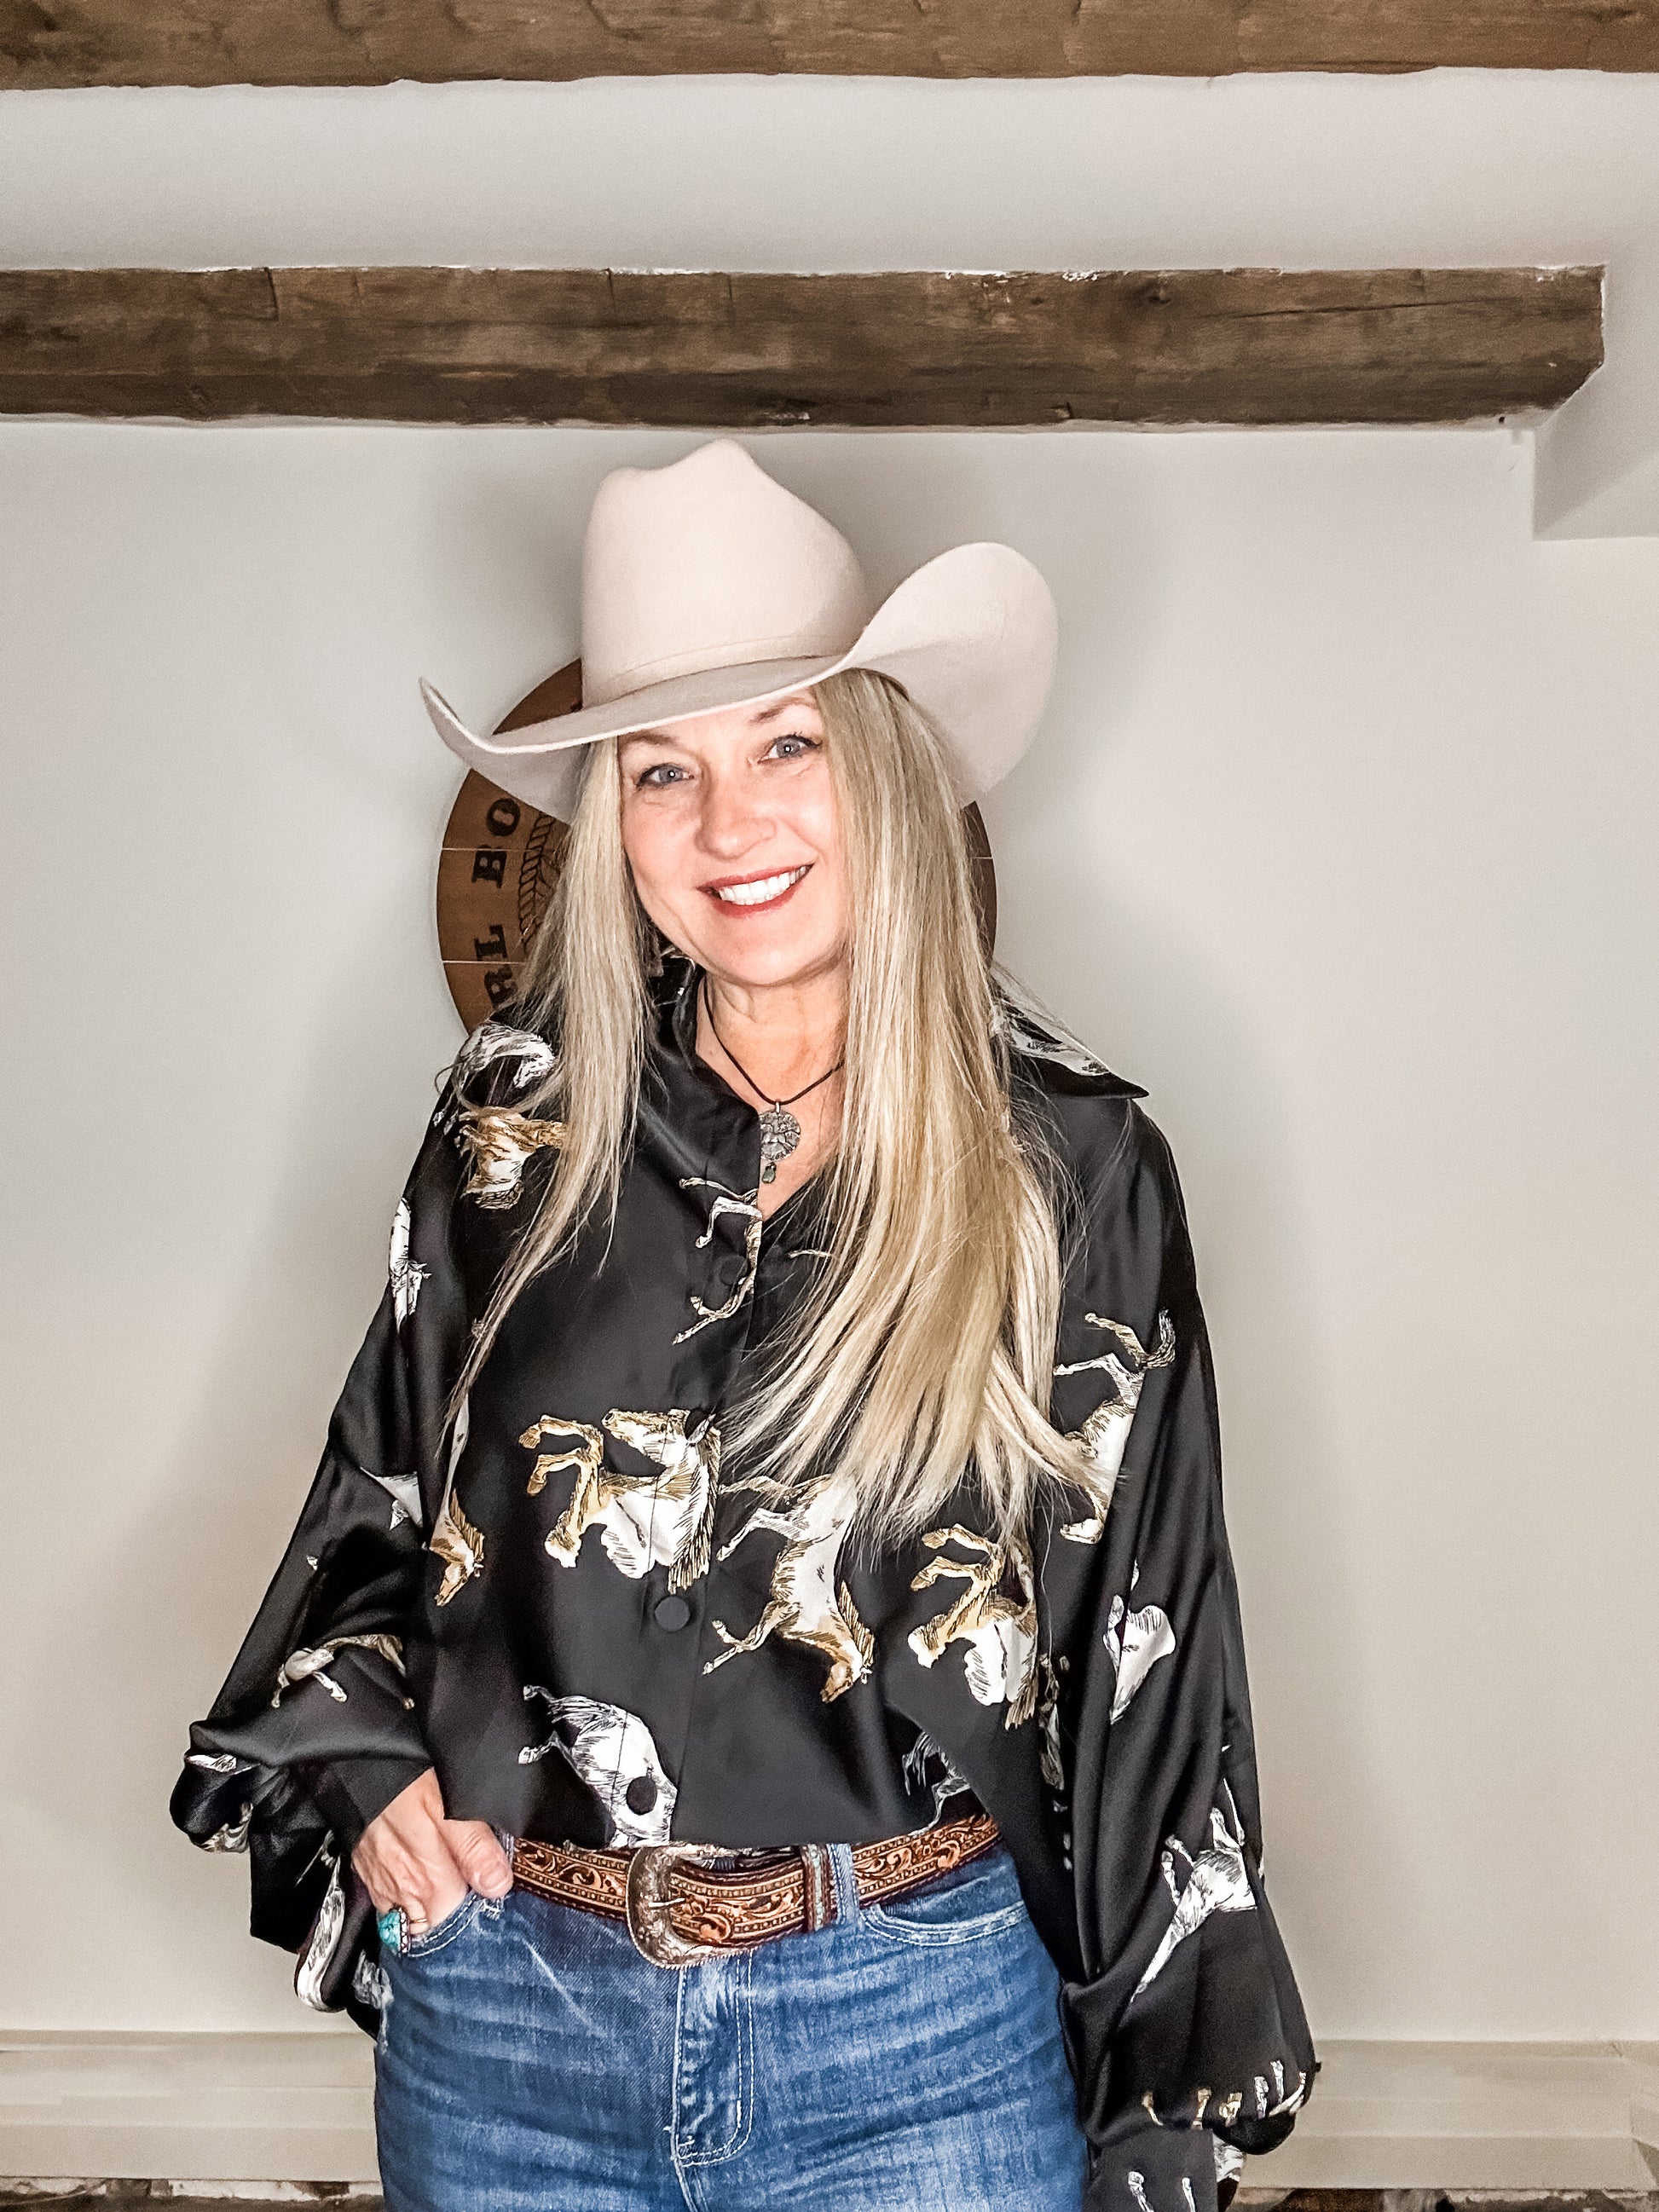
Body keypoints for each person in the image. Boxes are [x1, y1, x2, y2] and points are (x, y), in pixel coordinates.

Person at [171, 436, 1315, 2212]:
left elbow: (1147, 1641)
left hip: (919, 2039)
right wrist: (366, 1760)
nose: (727, 823)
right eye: (663, 769)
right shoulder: (511, 1127)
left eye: (786, 743)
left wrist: (1162, 2106)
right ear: (614, 823)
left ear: (884, 769)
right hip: (511, 2016)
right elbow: (373, 1513)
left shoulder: (1072, 1166)